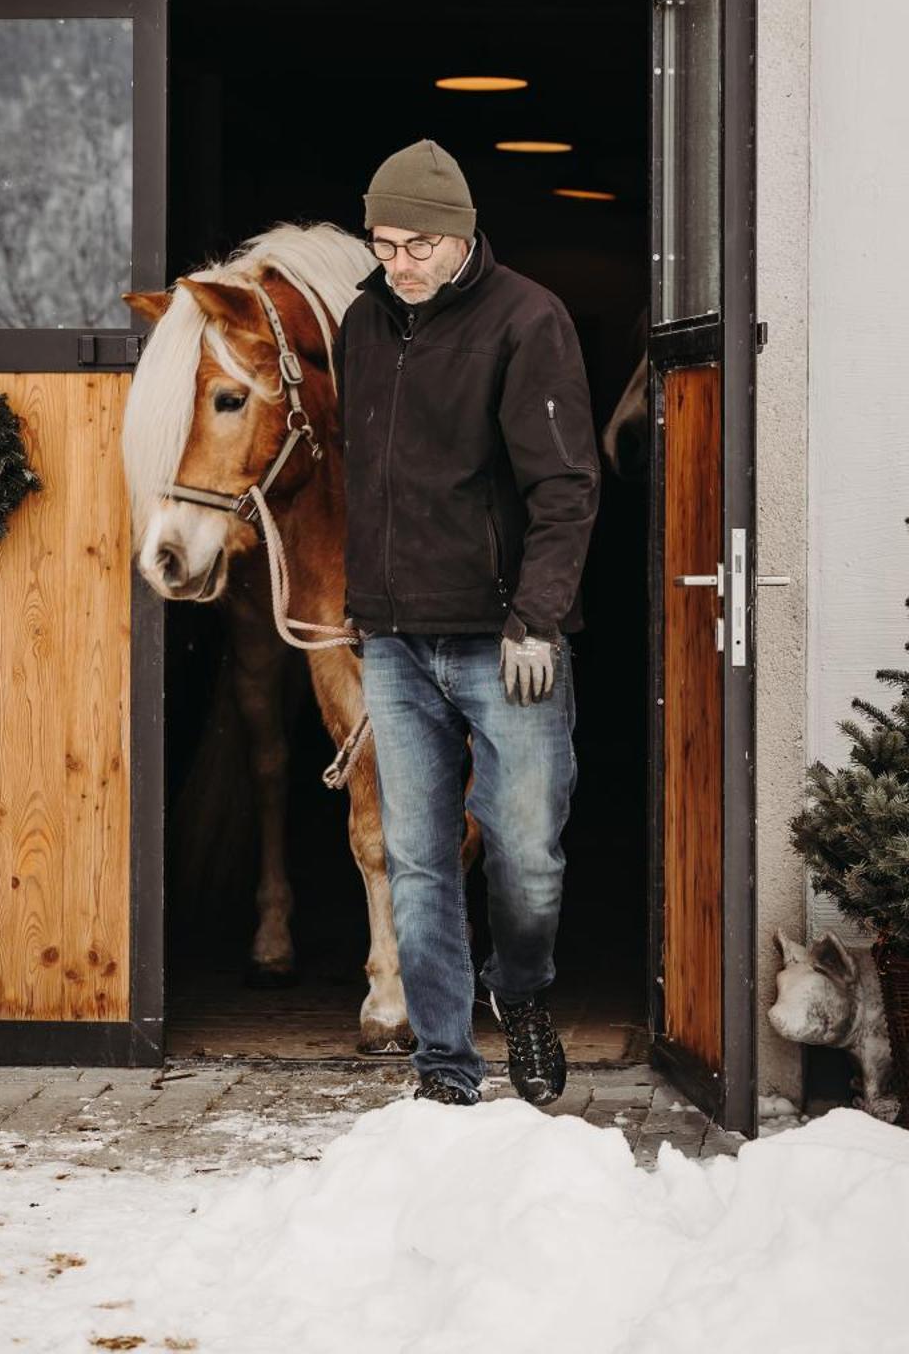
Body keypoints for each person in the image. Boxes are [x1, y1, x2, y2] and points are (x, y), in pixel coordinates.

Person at [332, 138, 601, 1107]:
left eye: (413, 244)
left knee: (526, 848)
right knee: (416, 856)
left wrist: (537, 618)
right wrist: (360, 608)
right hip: (396, 641)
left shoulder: (527, 319)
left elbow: (565, 484)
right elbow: (359, 478)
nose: (394, 262)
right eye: (381, 241)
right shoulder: (362, 323)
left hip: (503, 640)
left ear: (459, 236)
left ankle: (521, 993)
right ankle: (444, 1064)